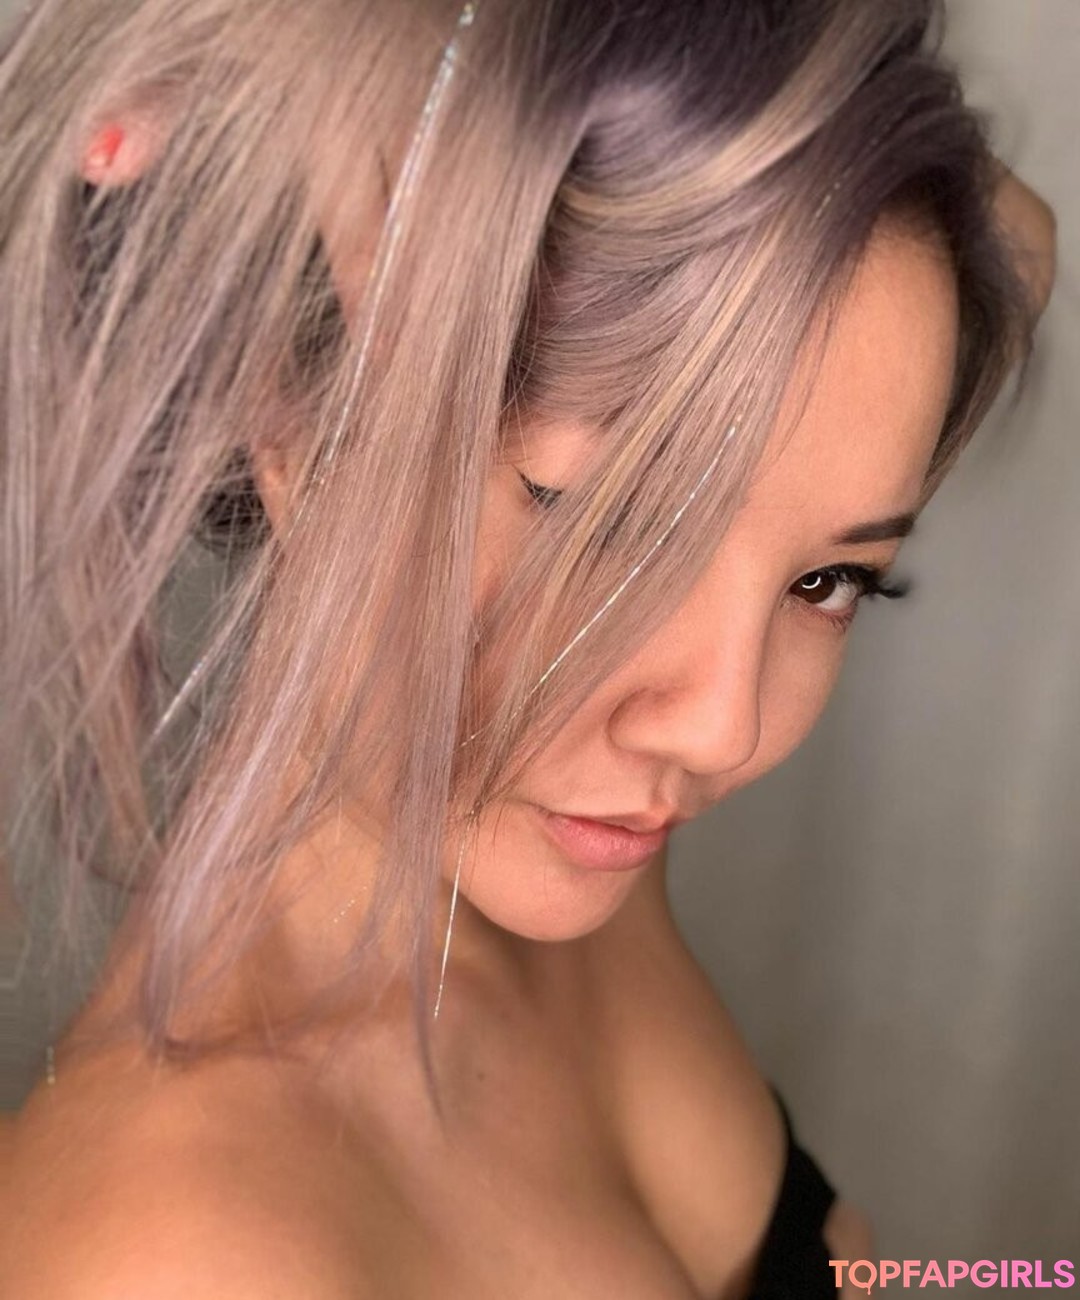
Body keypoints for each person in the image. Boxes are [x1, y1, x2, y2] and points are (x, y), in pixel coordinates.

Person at [0, 0, 1056, 1296]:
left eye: (826, 581)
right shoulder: (171, 1255)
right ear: (294, 410)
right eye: (620, 532)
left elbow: (1009, 236)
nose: (722, 727)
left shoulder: (557, 842)